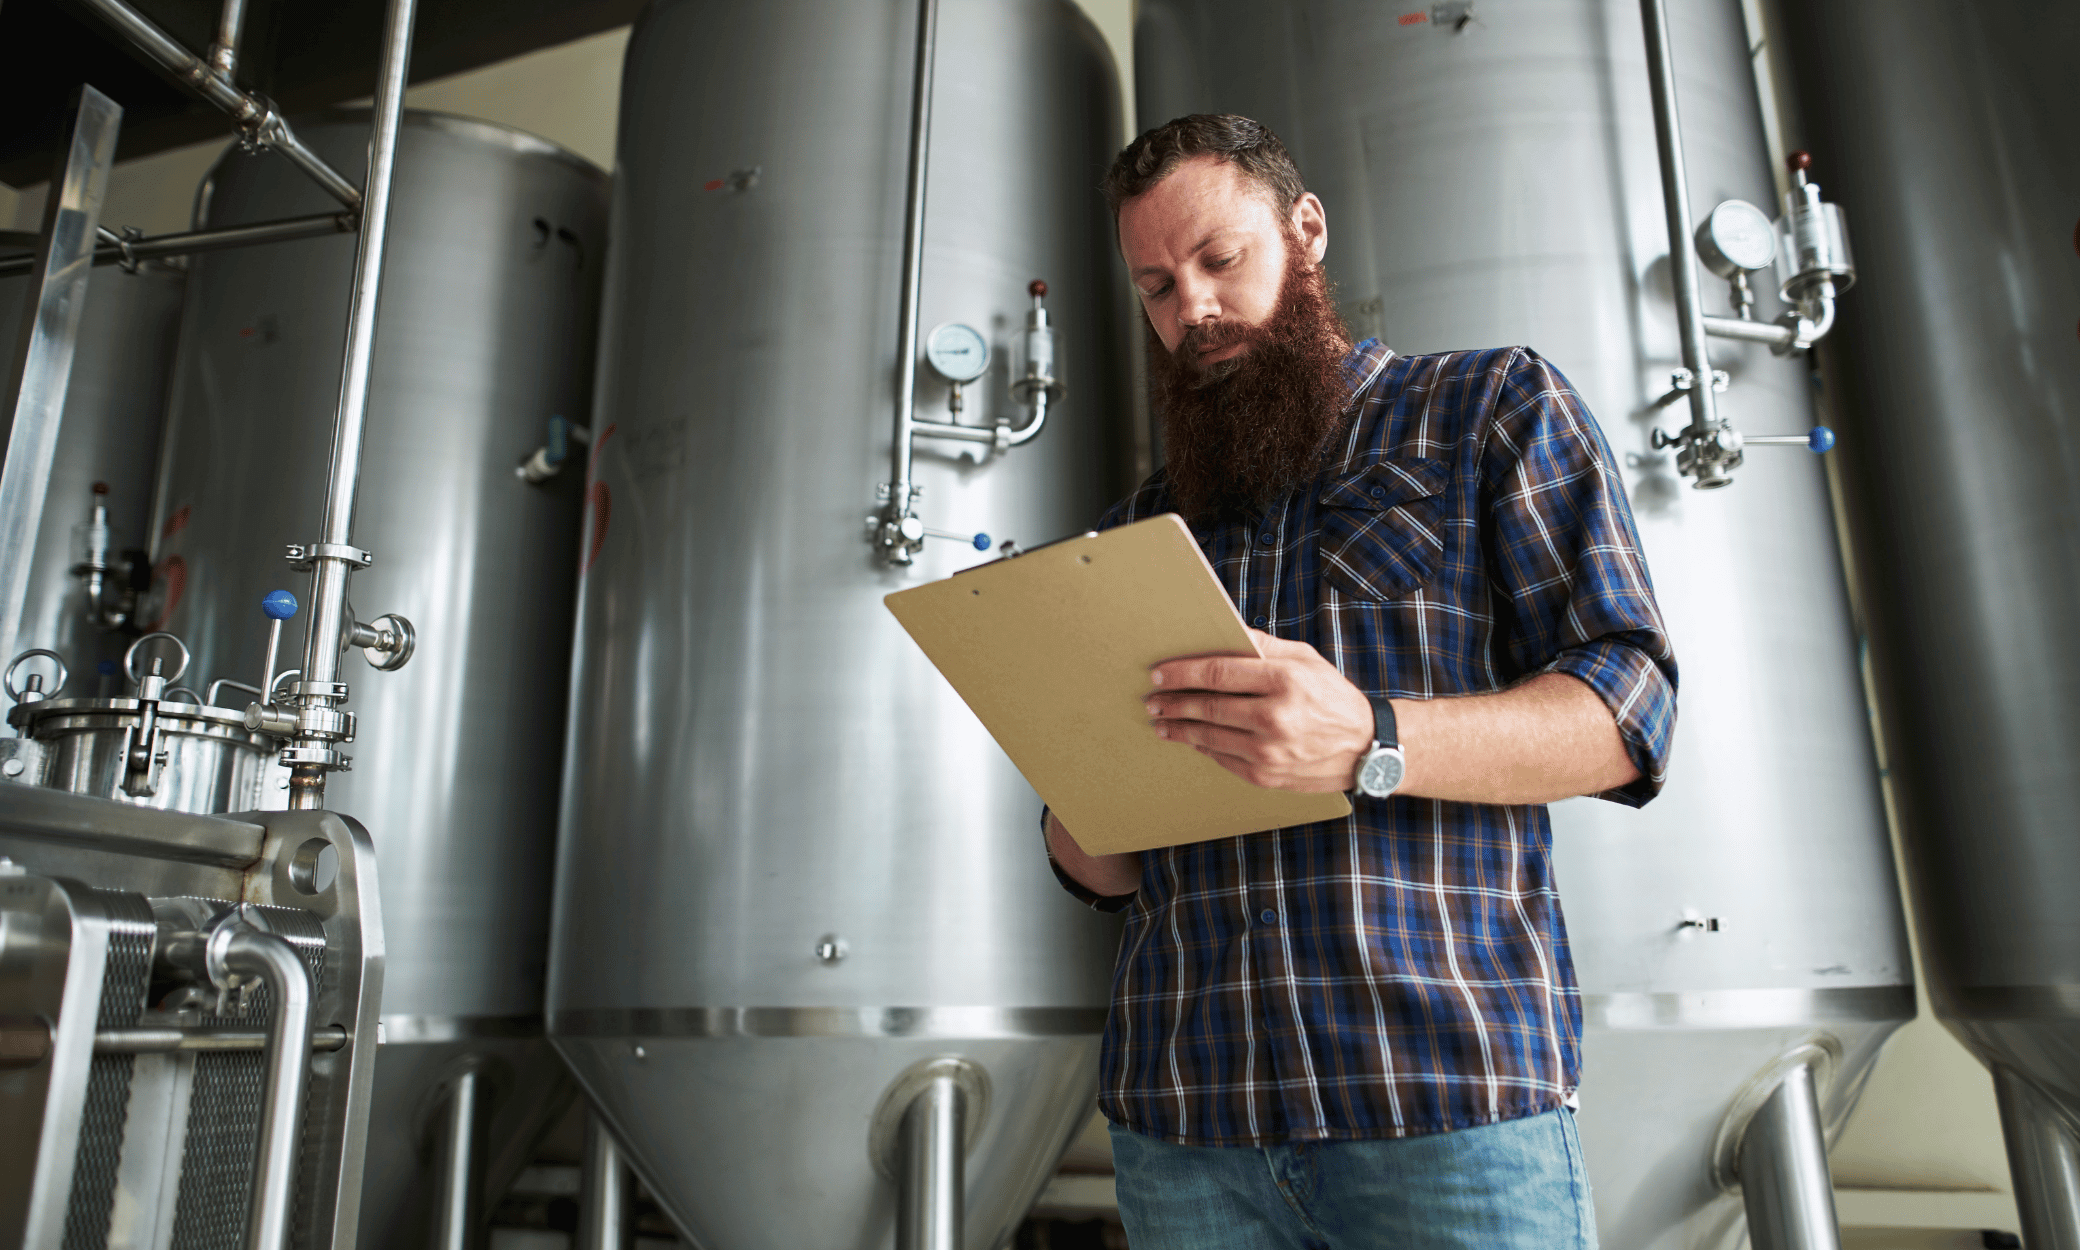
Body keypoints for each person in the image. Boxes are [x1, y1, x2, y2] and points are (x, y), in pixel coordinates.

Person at [1042, 114, 1678, 1249]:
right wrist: (1072, 773)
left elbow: (1628, 712)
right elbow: (1096, 865)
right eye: (1156, 285)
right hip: (1186, 1125)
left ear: (1305, 229)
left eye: (1219, 260)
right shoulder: (1139, 528)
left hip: (1440, 1108)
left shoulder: (1487, 410)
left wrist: (1370, 737)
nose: (1191, 309)